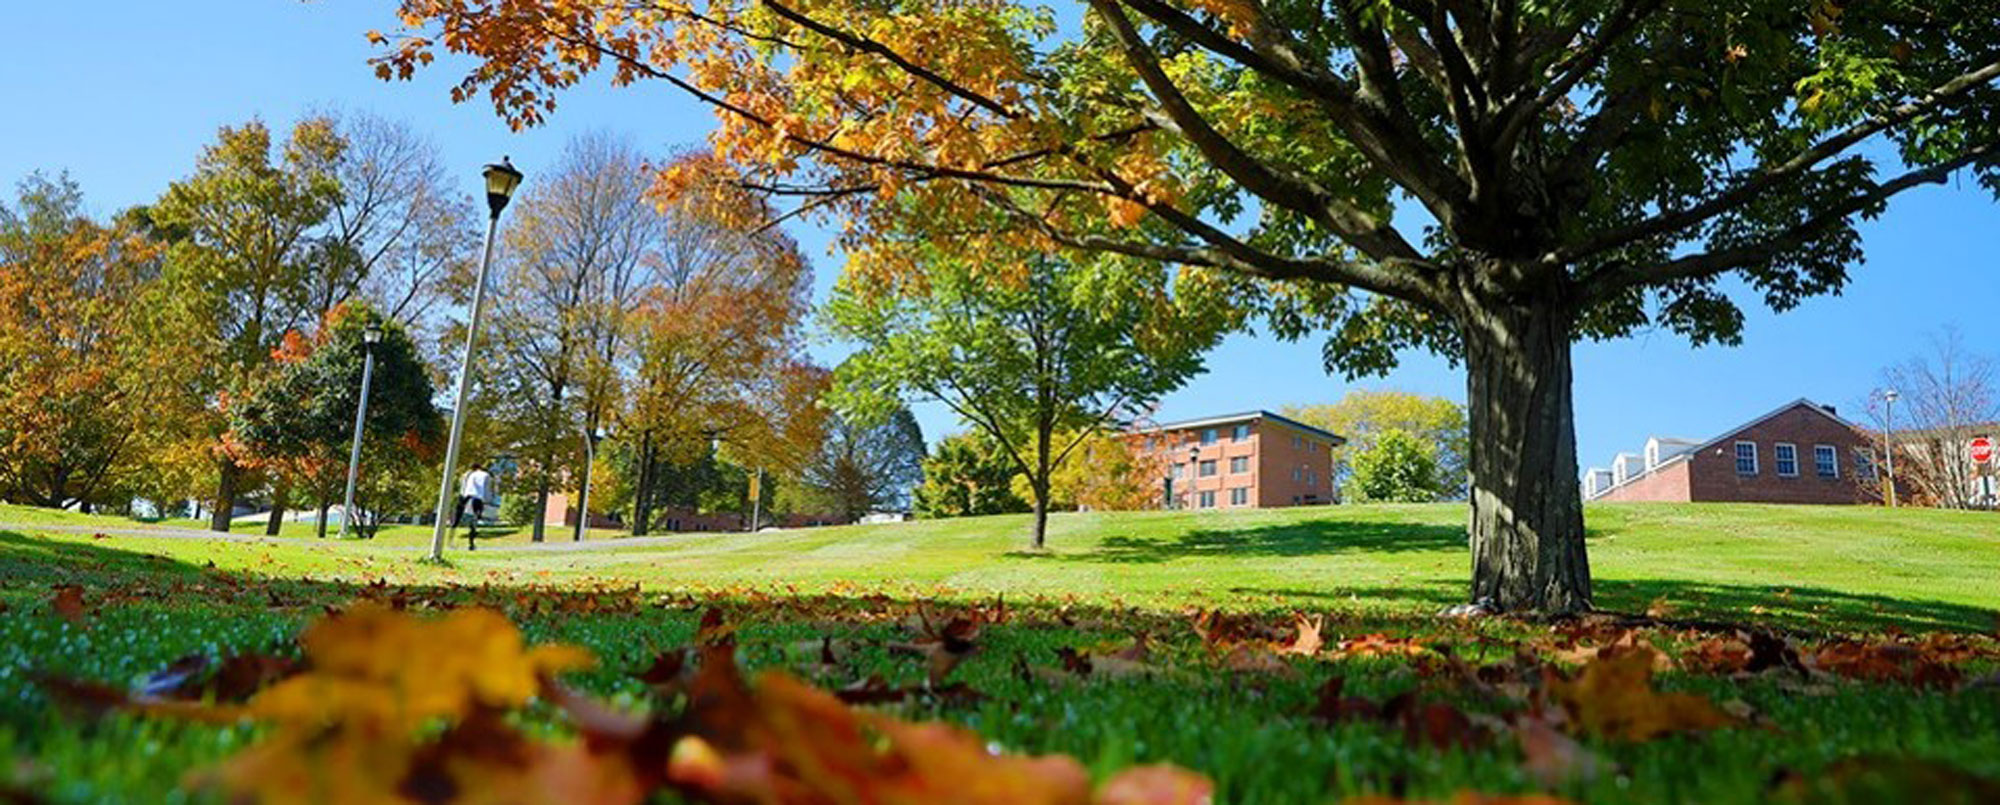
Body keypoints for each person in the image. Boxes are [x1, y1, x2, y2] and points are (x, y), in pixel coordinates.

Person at [454, 463, 493, 549]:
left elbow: (463, 487)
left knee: (459, 520)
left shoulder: (467, 474)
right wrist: (487, 500)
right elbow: (487, 489)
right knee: (474, 522)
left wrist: (462, 500)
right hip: (478, 499)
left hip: (467, 497)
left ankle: (453, 537)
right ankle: (471, 544)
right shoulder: (486, 475)